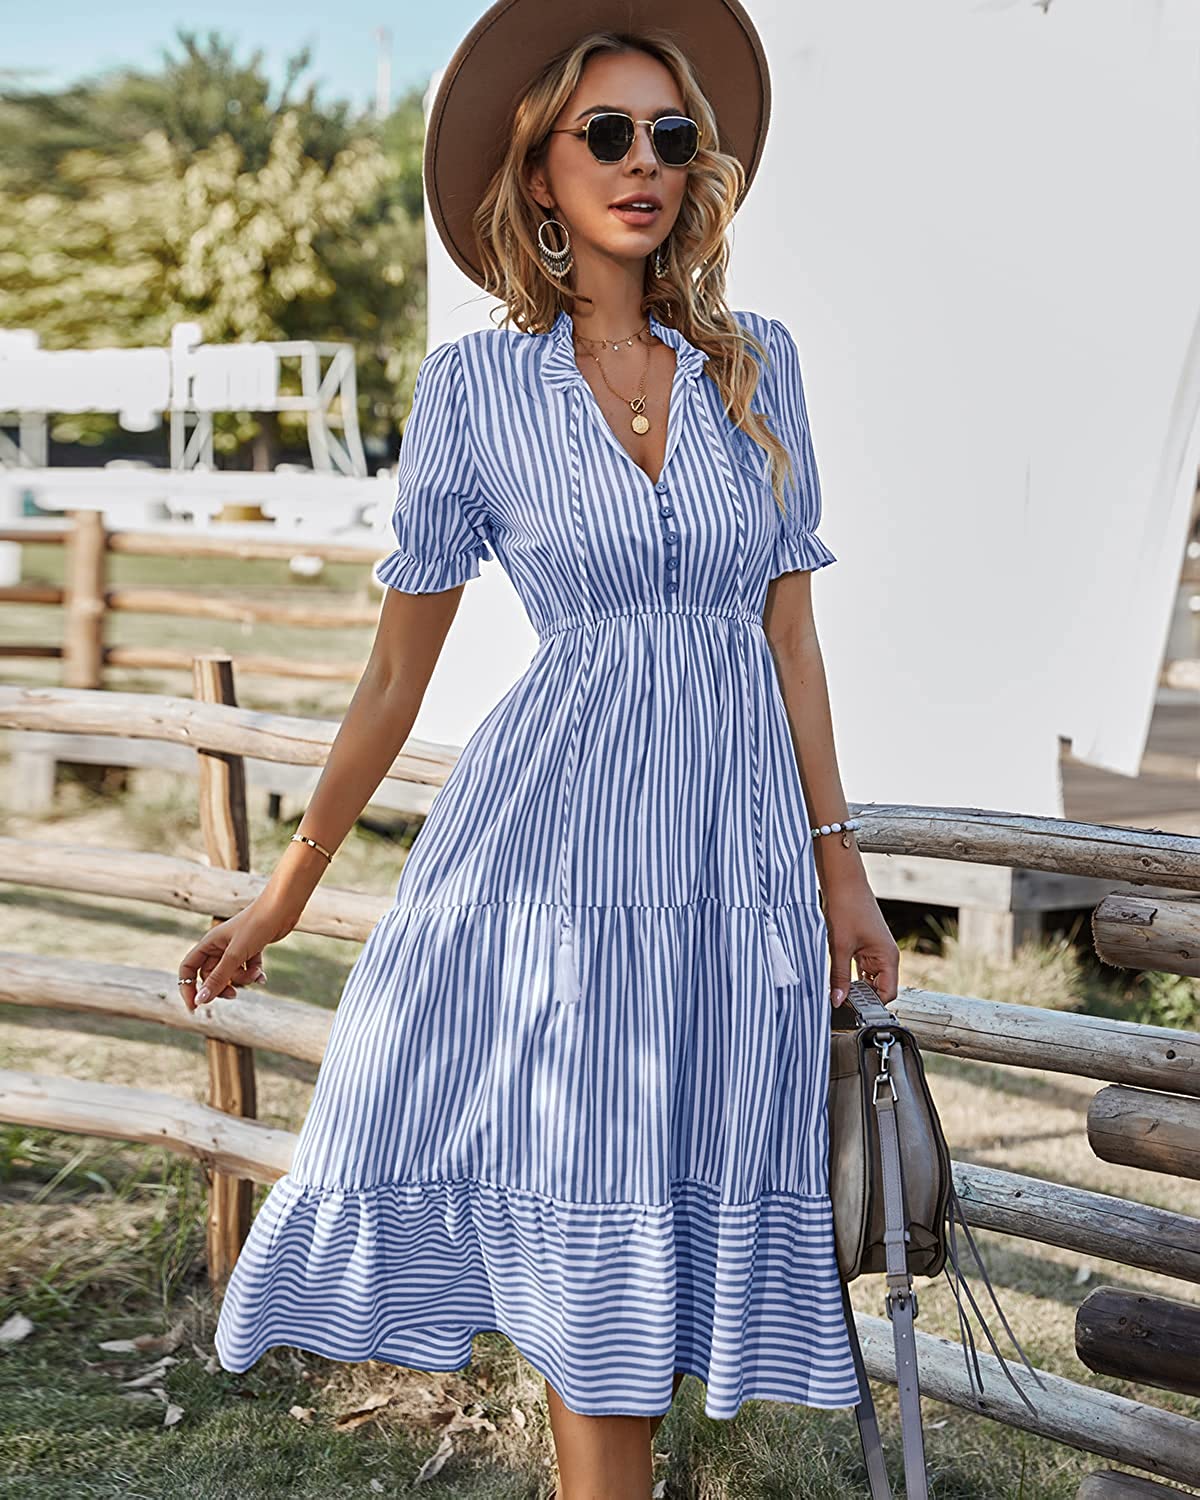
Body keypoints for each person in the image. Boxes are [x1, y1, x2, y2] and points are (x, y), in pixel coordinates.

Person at [180, 1, 901, 1494]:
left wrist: (842, 869)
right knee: (589, 1206)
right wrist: (285, 894)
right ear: (538, 169)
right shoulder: (476, 389)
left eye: (671, 136)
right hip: (556, 854)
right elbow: (397, 672)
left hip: (731, 860)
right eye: (607, 134)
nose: (644, 163)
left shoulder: (754, 368)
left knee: (673, 1198)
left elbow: (793, 639)